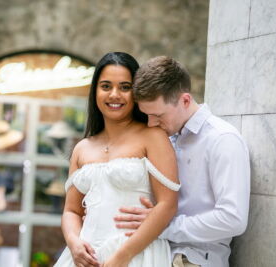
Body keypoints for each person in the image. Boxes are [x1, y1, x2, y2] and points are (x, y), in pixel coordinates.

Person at [114, 56, 250, 267]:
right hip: (154, 254)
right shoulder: (164, 137)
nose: (151, 124)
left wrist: (161, 226)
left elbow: (233, 219)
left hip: (192, 260)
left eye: (158, 115)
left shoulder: (223, 139)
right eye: (147, 115)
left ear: (185, 100)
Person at [54, 52, 181, 267]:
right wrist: (75, 243)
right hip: (86, 257)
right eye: (106, 86)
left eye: (125, 87)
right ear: (95, 90)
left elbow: (168, 204)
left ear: (137, 92)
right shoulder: (82, 148)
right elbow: (72, 211)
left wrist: (122, 257)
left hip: (136, 255)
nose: (115, 95)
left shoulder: (153, 136)